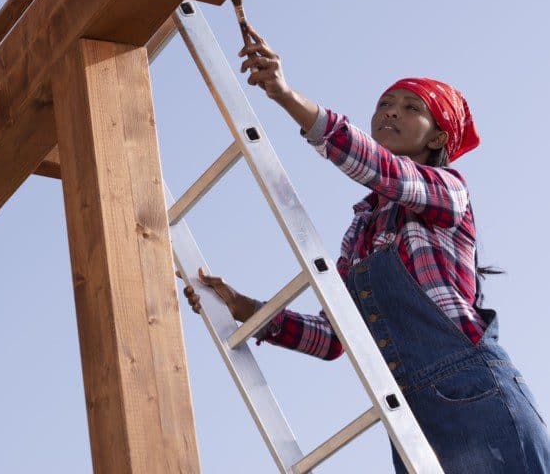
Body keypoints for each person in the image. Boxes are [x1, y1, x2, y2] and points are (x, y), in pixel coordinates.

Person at [182, 27, 550, 473]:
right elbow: (336, 338)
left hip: (475, 393)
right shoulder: (359, 233)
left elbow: (386, 173)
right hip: (408, 415)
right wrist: (246, 308)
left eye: (411, 108)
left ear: (437, 139)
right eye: (384, 105)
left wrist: (285, 96)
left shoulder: (449, 192)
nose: (391, 113)